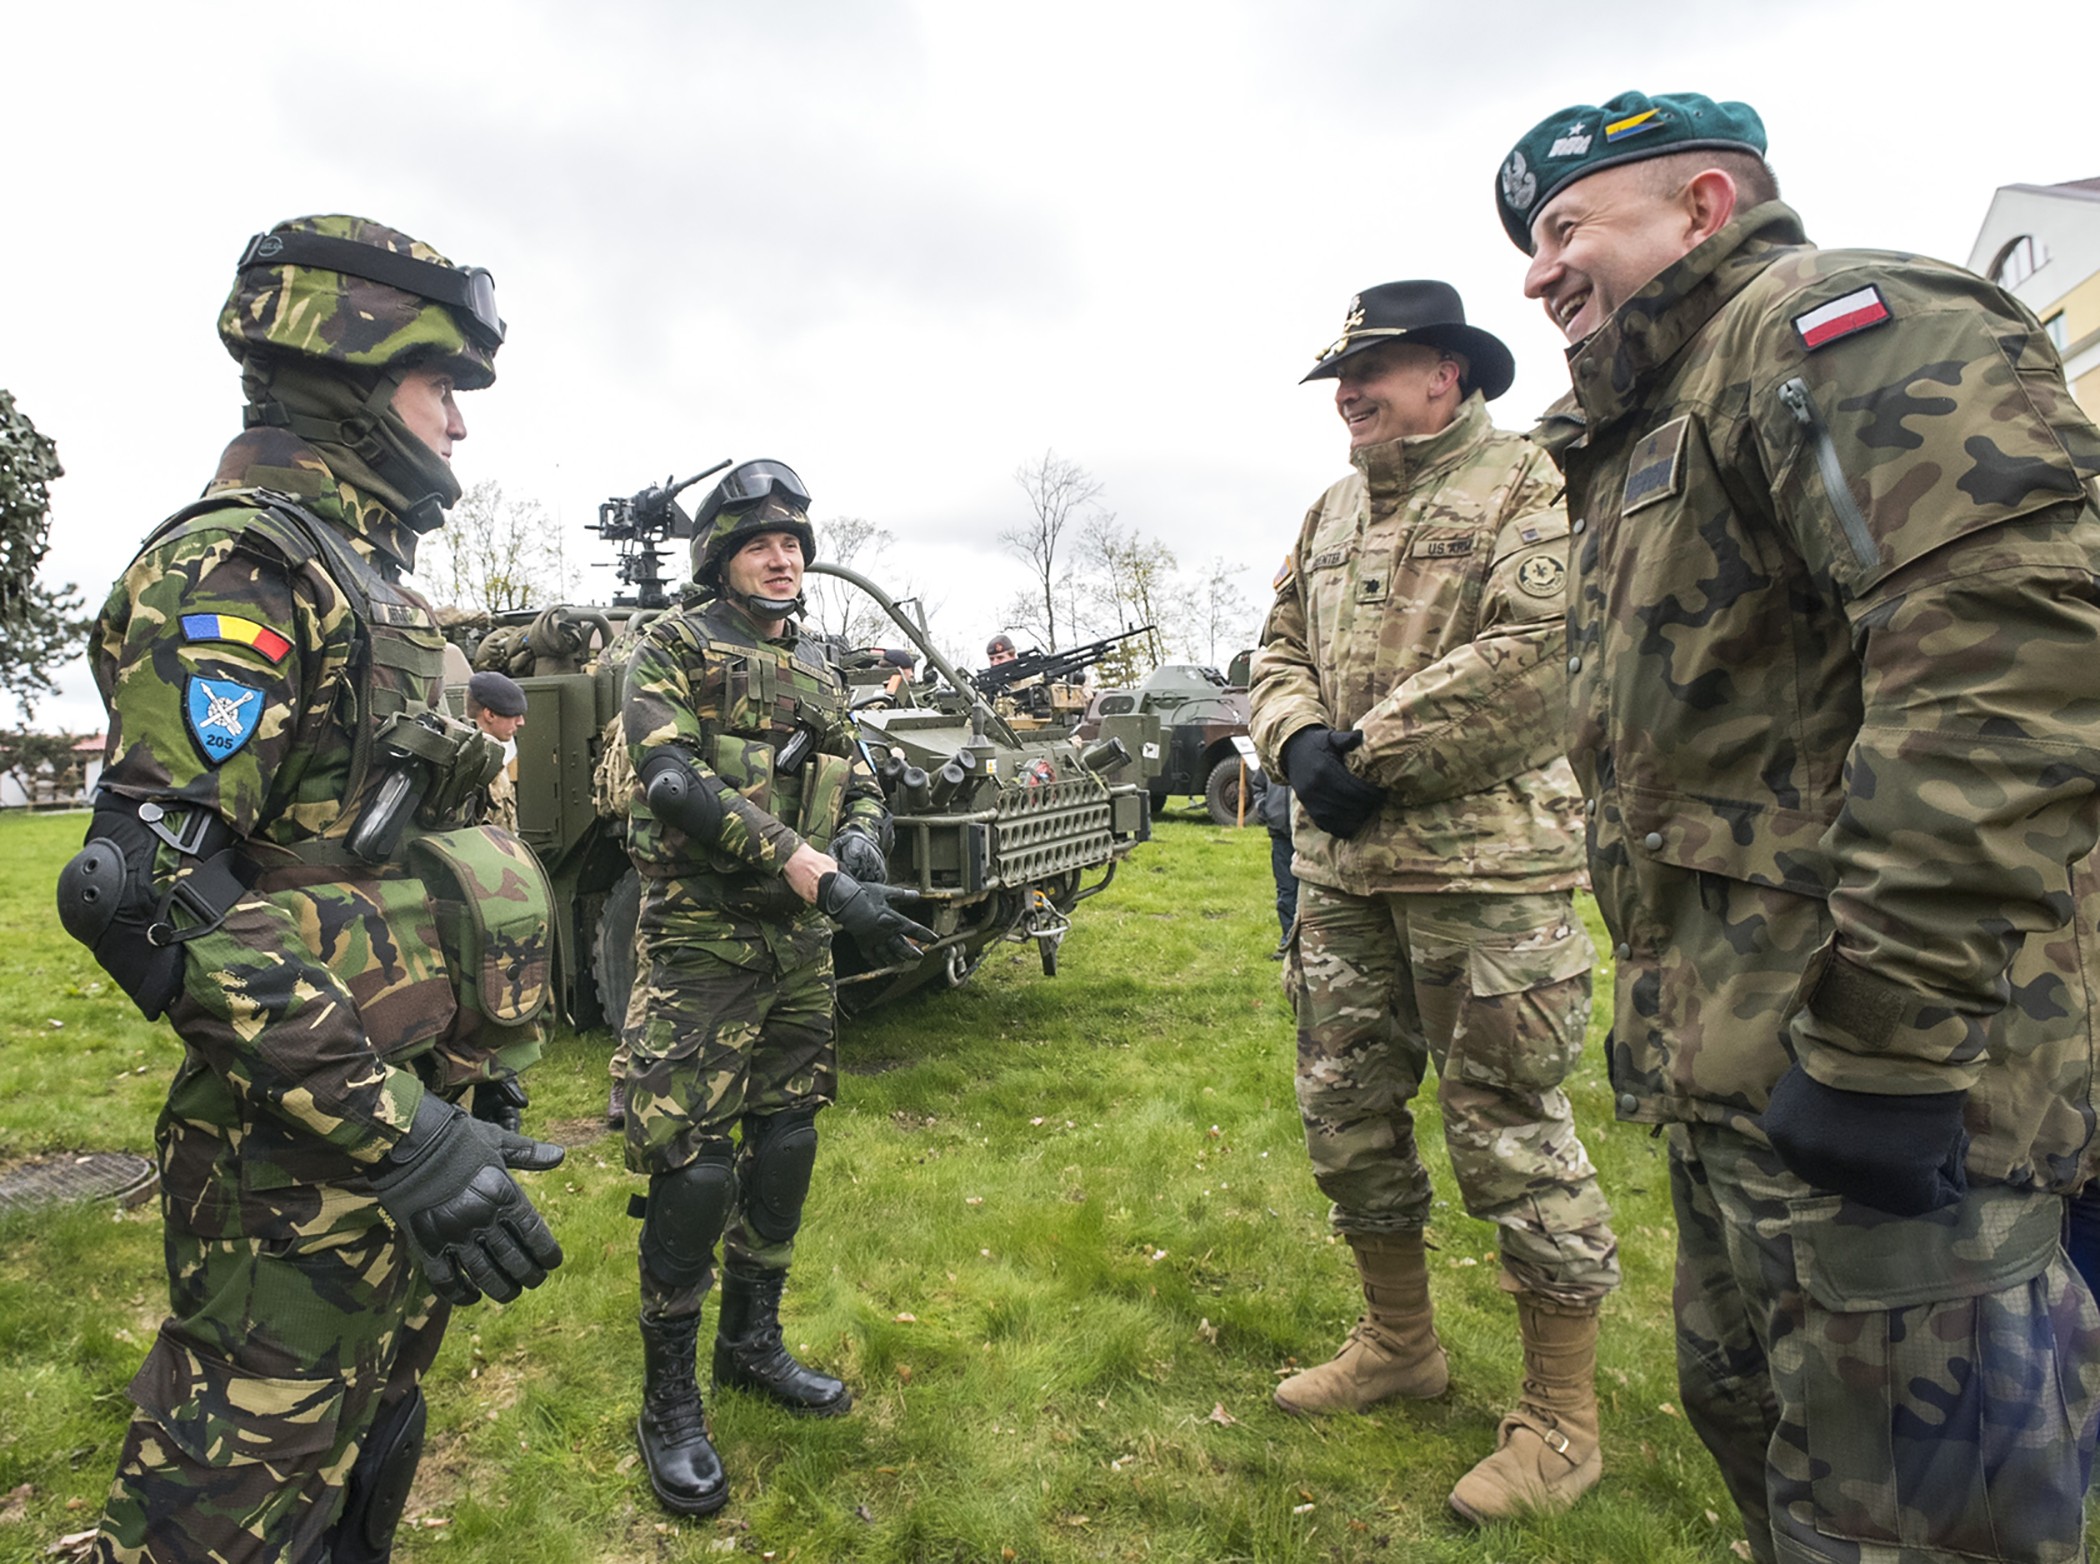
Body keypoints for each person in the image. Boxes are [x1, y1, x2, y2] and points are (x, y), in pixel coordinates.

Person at [1497, 89, 2100, 1563]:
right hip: (1751, 1087)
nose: (1536, 270)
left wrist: (1885, 1050)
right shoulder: (1659, 413)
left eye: (1569, 225)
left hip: (1908, 1094)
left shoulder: (1836, 323)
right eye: (1528, 240)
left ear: (1704, 206)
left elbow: (2006, 659)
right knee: (1791, 1481)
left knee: (1914, 1526)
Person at [59, 216, 564, 1564]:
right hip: (292, 1153)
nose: (458, 424)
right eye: (439, 385)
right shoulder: (241, 569)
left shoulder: (372, 585)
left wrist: (466, 1080)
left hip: (396, 1119)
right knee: (226, 1504)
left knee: (361, 1458)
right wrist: (404, 1137)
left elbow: (384, 866)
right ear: (352, 367)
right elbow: (143, 886)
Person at [1248, 280, 1619, 1523]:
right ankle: (1401, 1346)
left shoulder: (1528, 484)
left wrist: (1360, 758)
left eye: (1374, 369)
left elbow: (1536, 650)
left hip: (1486, 872)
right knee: (1346, 1114)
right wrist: (1295, 738)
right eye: (1340, 378)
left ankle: (1563, 1421)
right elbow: (1277, 648)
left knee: (1510, 1130)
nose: (1348, 394)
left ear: (1447, 373)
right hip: (1348, 878)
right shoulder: (1333, 507)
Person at [618, 458, 930, 1517]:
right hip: (704, 941)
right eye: (761, 541)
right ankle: (669, 1395)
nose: (784, 556)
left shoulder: (821, 670)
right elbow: (672, 779)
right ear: (721, 553)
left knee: (786, 1140)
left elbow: (866, 768)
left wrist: (862, 835)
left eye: (795, 541)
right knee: (694, 1163)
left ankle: (751, 1341)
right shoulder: (672, 644)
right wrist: (813, 867)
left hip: (797, 952)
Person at [466, 668, 528, 833]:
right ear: (490, 715)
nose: (521, 722)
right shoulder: (471, 764)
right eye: (513, 714)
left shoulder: (493, 756)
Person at [1253, 770, 1296, 958]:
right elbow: (1257, 785)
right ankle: (1288, 940)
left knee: (1310, 889)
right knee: (1286, 890)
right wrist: (1265, 809)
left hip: (1308, 834)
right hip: (1279, 831)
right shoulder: (1271, 754)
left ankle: (1308, 942)